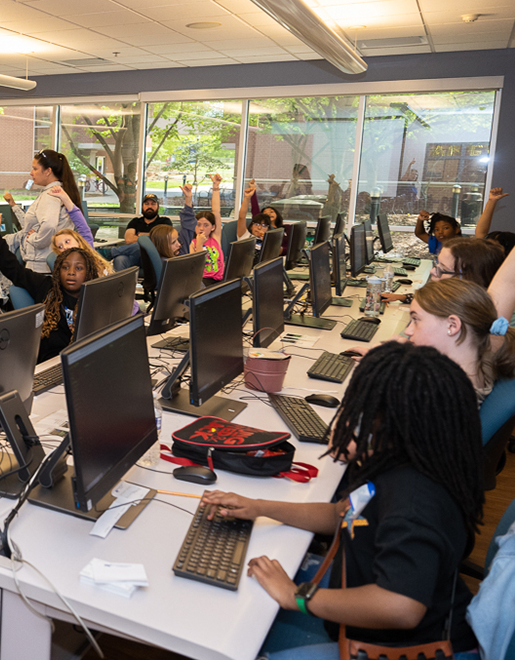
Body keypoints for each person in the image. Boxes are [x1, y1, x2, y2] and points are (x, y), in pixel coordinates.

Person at [203, 341, 483, 660]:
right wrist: (259, 507)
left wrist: (297, 597)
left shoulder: (413, 499)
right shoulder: (393, 464)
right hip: (368, 617)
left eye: (360, 407)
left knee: (236, 635)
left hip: (408, 649)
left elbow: (401, 606)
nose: (350, 413)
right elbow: (344, 514)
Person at [0, 214, 105, 363]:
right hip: (49, 362)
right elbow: (12, 268)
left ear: (88, 272)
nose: (71, 272)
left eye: (78, 268)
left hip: (87, 360)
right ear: (58, 270)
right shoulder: (47, 287)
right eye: (65, 267)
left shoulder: (96, 296)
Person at [6, 149, 79, 272]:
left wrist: (34, 239)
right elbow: (34, 225)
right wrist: (14, 205)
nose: (31, 173)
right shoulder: (62, 191)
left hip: (40, 263)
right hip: (49, 259)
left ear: (48, 171)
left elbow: (49, 225)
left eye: (35, 169)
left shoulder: (50, 195)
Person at [382, 235, 505, 305]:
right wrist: (403, 297)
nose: (432, 272)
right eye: (437, 264)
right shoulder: (452, 300)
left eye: (442, 269)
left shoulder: (467, 317)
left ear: (469, 279)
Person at [190, 174, 225, 284]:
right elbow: (197, 267)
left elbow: (216, 211)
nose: (201, 228)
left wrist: (215, 187)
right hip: (202, 281)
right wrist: (199, 244)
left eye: (206, 225)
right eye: (199, 225)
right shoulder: (193, 243)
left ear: (213, 227)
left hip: (218, 279)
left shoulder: (215, 237)